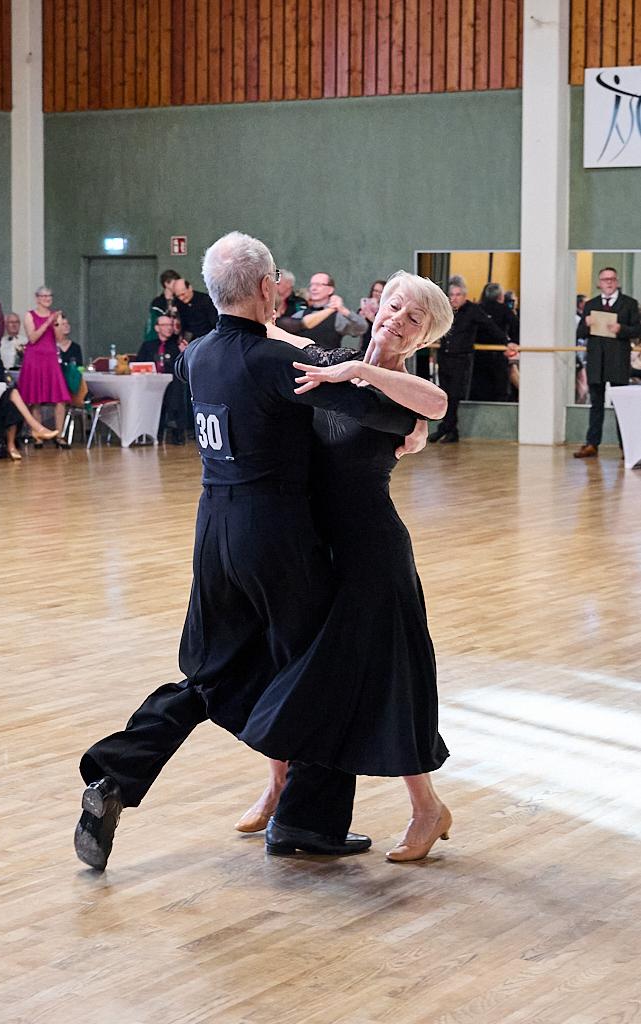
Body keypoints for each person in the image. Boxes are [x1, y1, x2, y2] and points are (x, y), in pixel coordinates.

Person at [74, 232, 419, 871]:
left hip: (213, 535)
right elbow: (388, 415)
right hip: (279, 538)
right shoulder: (275, 363)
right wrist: (384, 397)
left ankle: (117, 776)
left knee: (209, 674)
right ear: (268, 290)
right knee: (320, 666)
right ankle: (306, 823)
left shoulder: (197, 355)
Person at [236, 272, 454, 862]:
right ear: (375, 307)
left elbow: (436, 406)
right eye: (393, 307)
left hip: (371, 552)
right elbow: (272, 338)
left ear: (424, 336)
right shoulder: (328, 361)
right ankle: (279, 785)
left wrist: (359, 372)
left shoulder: (402, 388)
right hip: (312, 544)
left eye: (414, 319)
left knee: (392, 677)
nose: (397, 320)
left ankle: (427, 808)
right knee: (290, 664)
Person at [574, 267, 641, 458]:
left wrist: (622, 329)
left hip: (618, 360)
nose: (609, 283)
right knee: (596, 404)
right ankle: (592, 444)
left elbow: (637, 330)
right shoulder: (591, 304)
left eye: (612, 279)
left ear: (617, 282)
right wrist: (585, 324)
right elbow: (580, 334)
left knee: (622, 405)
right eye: (605, 280)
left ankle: (626, 446)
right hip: (596, 361)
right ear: (599, 283)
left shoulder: (629, 303)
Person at [0, 327, 58, 459]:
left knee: (12, 405)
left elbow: (2, 381)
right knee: (13, 394)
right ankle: (36, 427)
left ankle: (12, 444)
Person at [430, 280, 507, 443]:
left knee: (454, 395)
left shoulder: (473, 310)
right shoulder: (446, 311)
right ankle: (451, 430)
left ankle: (445, 428)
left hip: (461, 359)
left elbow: (490, 326)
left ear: (464, 296)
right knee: (444, 394)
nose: (454, 298)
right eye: (451, 294)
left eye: (458, 295)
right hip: (444, 357)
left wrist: (507, 342)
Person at [19, 287, 71, 447]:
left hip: (50, 359)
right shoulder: (30, 315)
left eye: (50, 295)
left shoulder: (55, 315)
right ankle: (38, 435)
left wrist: (57, 323)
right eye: (44, 296)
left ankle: (59, 435)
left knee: (60, 397)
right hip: (34, 359)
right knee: (35, 399)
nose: (47, 298)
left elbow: (59, 337)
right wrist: (48, 322)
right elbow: (33, 337)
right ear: (37, 298)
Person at [137, 314, 192, 443]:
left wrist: (184, 353)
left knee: (176, 390)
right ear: (157, 328)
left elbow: (182, 367)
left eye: (171, 325)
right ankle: (152, 431)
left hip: (171, 384)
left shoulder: (176, 346)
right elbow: (139, 364)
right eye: (165, 325)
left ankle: (176, 430)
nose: (169, 328)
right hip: (150, 385)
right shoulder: (148, 345)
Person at [278, 272, 368, 350]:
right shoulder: (301, 313)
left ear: (330, 290)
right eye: (311, 285)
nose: (313, 288)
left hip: (328, 367)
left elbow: (362, 327)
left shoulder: (337, 316)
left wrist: (342, 309)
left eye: (318, 285)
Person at [470, 283, 520, 401]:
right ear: (501, 297)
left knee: (479, 386)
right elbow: (516, 327)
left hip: (477, 355)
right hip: (499, 353)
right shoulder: (504, 310)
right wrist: (513, 343)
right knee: (499, 388)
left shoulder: (477, 309)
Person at [172, 277, 218, 341]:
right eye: (178, 296)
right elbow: (184, 325)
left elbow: (215, 323)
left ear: (190, 288)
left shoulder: (205, 300)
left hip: (208, 338)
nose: (181, 298)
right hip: (190, 340)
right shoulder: (178, 303)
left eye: (183, 294)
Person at [144, 269, 180, 342]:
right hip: (159, 339)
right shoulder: (157, 302)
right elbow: (153, 321)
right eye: (175, 283)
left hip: (177, 338)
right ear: (166, 283)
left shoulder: (180, 301)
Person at [356, 279, 386, 346]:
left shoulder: (388, 309)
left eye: (380, 292)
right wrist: (360, 317)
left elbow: (386, 328)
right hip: (365, 345)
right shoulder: (365, 307)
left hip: (381, 345)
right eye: (375, 291)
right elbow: (355, 329)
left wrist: (373, 319)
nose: (377, 293)